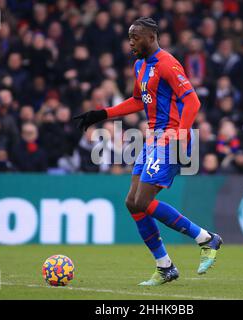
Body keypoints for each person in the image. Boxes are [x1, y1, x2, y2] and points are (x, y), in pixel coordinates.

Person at [73, 17, 222, 286]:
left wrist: (180, 133)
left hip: (171, 139)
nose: (131, 42)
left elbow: (192, 101)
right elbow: (137, 100)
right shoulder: (140, 64)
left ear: (151, 38)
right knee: (132, 202)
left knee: (141, 201)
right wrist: (102, 113)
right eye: (129, 37)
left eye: (135, 37)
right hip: (153, 140)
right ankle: (165, 266)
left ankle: (206, 239)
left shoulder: (167, 63)